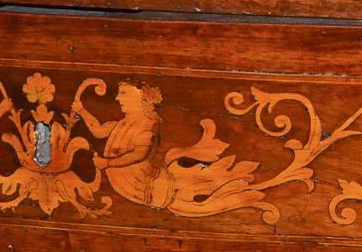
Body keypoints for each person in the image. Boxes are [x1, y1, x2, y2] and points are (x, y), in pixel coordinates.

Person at [72, 81, 268, 217]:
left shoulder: (146, 124)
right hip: (129, 185)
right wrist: (81, 110)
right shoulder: (123, 123)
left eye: (124, 93)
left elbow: (140, 154)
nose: (117, 98)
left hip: (143, 184)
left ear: (142, 99)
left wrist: (107, 162)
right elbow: (98, 131)